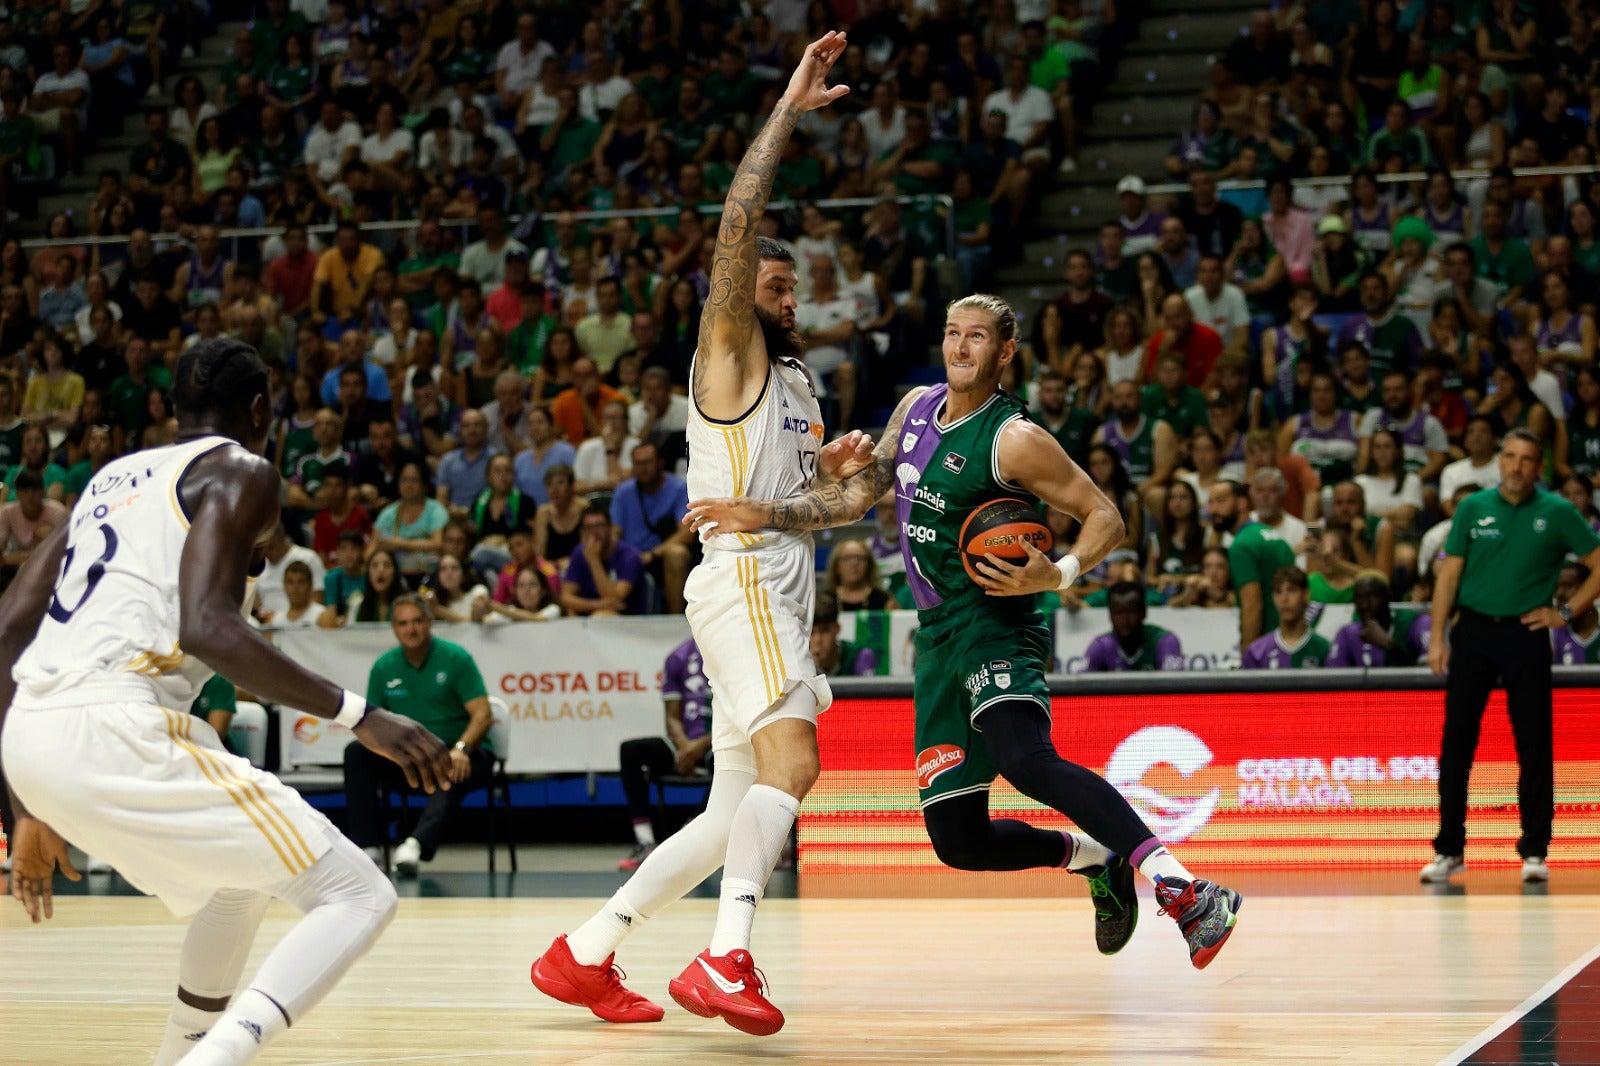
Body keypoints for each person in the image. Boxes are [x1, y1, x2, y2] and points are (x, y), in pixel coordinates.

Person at [688, 292, 1243, 975]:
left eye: (976, 337)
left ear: (1004, 352)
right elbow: (860, 496)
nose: (959, 347)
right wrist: (765, 512)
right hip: (938, 636)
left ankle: (1186, 889)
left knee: (1024, 757)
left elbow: (1105, 517)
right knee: (958, 839)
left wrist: (1059, 573)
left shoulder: (1016, 438)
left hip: (996, 620)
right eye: (952, 333)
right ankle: (1097, 858)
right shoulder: (915, 408)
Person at [532, 34, 862, 1036]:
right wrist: (786, 116)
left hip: (777, 582)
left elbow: (832, 514)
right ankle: (725, 957)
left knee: (730, 817)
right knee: (794, 767)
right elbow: (736, 219)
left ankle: (583, 952)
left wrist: (847, 483)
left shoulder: (799, 385)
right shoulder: (729, 353)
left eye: (788, 280)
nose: (783, 287)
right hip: (748, 587)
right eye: (768, 279)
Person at [0, 338, 451, 1066]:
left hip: (32, 732)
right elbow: (207, 626)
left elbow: (6, 629)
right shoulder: (243, 470)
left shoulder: (112, 477)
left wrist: (24, 807)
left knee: (239, 880)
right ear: (261, 408)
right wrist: (363, 717)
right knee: (360, 896)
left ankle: (179, 1054)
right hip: (114, 721)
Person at [1424, 428, 1600, 885]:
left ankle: (1535, 851)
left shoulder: (1558, 512)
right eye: (1509, 456)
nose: (1516, 466)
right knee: (1457, 741)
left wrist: (1565, 611)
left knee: (1534, 744)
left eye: (1526, 459)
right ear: (1498, 461)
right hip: (1474, 631)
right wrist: (1437, 637)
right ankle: (1449, 850)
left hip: (1527, 631)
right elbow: (1448, 576)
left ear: (1537, 466)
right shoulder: (1471, 507)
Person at [342, 595, 493, 878]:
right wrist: (391, 751)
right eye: (403, 623)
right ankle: (368, 848)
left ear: (429, 623)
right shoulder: (384, 667)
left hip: (461, 750)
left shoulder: (455, 658)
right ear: (394, 629)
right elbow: (372, 724)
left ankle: (414, 845)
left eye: (417, 621)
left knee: (452, 765)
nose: (411, 629)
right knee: (356, 753)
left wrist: (462, 748)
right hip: (410, 755)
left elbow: (483, 714)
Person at [616, 636, 713, 871]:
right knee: (630, 750)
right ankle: (645, 842)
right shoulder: (678, 656)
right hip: (683, 744)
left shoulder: (734, 652)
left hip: (718, 742)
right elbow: (671, 716)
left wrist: (698, 747)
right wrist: (684, 747)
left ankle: (686, 844)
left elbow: (737, 716)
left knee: (732, 761)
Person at [610, 441, 694, 614]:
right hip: (630, 556)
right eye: (637, 464)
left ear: (660, 463)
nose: (642, 468)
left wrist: (653, 553)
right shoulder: (623, 492)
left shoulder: (678, 489)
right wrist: (625, 554)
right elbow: (614, 533)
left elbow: (687, 533)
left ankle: (675, 620)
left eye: (647, 462)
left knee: (677, 554)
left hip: (660, 556)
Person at [1328, 575, 1430, 667]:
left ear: (1388, 597)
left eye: (1371, 597)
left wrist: (1388, 645)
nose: (1365, 605)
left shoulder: (1415, 623)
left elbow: (1429, 672)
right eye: (1359, 598)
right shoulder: (1347, 633)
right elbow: (1332, 678)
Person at [1083, 580, 1185, 671]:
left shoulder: (1164, 641)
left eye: (1131, 612)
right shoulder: (1101, 645)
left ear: (1143, 612)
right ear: (1110, 615)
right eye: (1118, 613)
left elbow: (1174, 686)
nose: (1124, 620)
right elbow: (1081, 686)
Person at [1240, 566, 1328, 669]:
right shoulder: (1256, 652)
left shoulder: (1324, 650)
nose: (1284, 599)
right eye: (1278, 592)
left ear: (1306, 595)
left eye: (1291, 590)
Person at [810, 591, 879, 676]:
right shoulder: (799, 662)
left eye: (825, 631)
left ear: (837, 629)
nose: (818, 640)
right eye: (811, 632)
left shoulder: (859, 656)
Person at [1551, 562, 1600, 664]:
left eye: (1568, 585)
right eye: (1556, 587)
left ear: (1588, 590)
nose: (1559, 593)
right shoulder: (1552, 634)